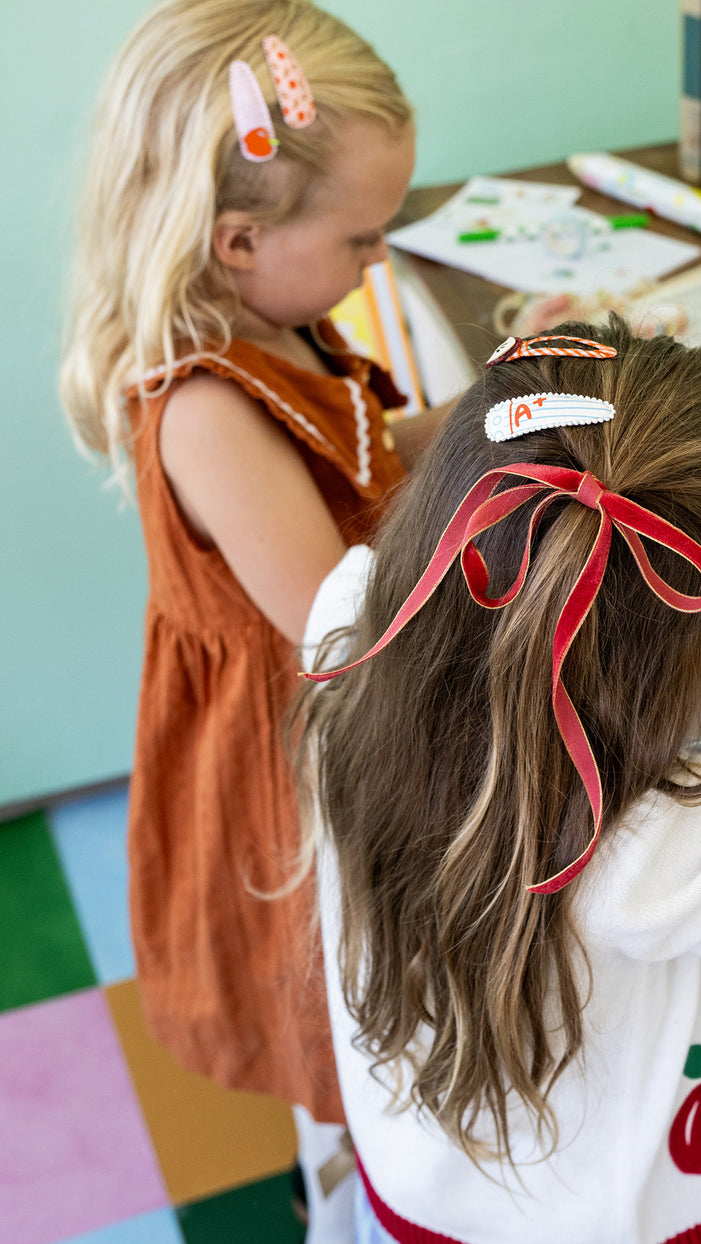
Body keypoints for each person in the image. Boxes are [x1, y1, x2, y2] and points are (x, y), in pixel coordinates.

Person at [299, 319, 701, 1244]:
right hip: (649, 1220)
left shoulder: (346, 631)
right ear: (699, 653)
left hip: (420, 1195)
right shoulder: (648, 847)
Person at [58, 0, 420, 1234]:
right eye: (366, 237)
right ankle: (353, 1190)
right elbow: (346, 625)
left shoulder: (281, 317)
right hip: (295, 766)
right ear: (237, 240)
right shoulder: (209, 409)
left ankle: (356, 1158)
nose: (378, 263)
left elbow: (364, 456)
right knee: (337, 1005)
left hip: (328, 712)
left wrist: (492, 410)